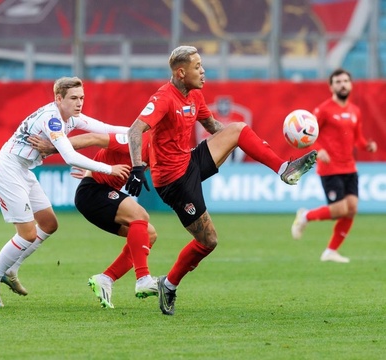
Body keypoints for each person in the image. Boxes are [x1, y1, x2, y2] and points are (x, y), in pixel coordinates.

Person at [125, 45, 318, 316]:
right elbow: (135, 130)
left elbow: (215, 128)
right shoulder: (164, 98)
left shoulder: (194, 95)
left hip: (190, 161)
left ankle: (284, 168)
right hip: (173, 181)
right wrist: (136, 168)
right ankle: (169, 285)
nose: (203, 71)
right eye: (197, 67)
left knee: (238, 129)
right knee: (209, 241)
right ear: (181, 73)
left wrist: (249, 143)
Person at [0, 76, 131, 308]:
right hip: (7, 170)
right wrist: (109, 169)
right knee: (27, 234)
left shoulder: (71, 117)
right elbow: (69, 156)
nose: (79, 103)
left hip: (24, 170)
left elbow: (107, 129)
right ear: (58, 98)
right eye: (73, 98)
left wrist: (142, 130)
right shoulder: (53, 119)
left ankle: (12, 268)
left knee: (49, 224)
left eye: (81, 98)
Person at [29, 132, 158, 309]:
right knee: (140, 215)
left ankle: (105, 279)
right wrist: (54, 147)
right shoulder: (136, 139)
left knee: (149, 234)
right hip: (92, 192)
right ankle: (143, 278)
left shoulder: (160, 150)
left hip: (99, 195)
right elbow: (93, 138)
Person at [291, 69, 377, 263]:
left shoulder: (355, 111)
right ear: (331, 86)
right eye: (338, 82)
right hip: (330, 168)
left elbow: (358, 138)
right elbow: (310, 135)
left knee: (352, 208)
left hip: (350, 168)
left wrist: (367, 146)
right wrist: (319, 150)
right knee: (339, 210)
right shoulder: (323, 110)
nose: (343, 84)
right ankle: (305, 216)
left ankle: (330, 251)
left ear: (351, 84)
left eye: (346, 81)